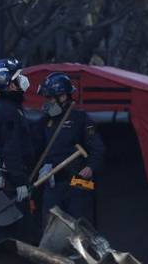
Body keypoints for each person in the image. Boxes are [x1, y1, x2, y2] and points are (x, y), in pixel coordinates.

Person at [36, 72, 105, 227]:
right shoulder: (44, 121)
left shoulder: (81, 119)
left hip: (79, 182)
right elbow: (35, 148)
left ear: (63, 97)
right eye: (46, 98)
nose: (47, 102)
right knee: (50, 227)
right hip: (53, 183)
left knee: (80, 227)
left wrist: (90, 167)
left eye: (50, 98)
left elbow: (98, 148)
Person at [0, 58, 38, 245]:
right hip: (10, 185)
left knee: (5, 231)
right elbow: (11, 149)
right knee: (12, 234)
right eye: (17, 77)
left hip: (2, 181)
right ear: (7, 83)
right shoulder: (9, 111)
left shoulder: (1, 108)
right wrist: (20, 181)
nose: (22, 80)